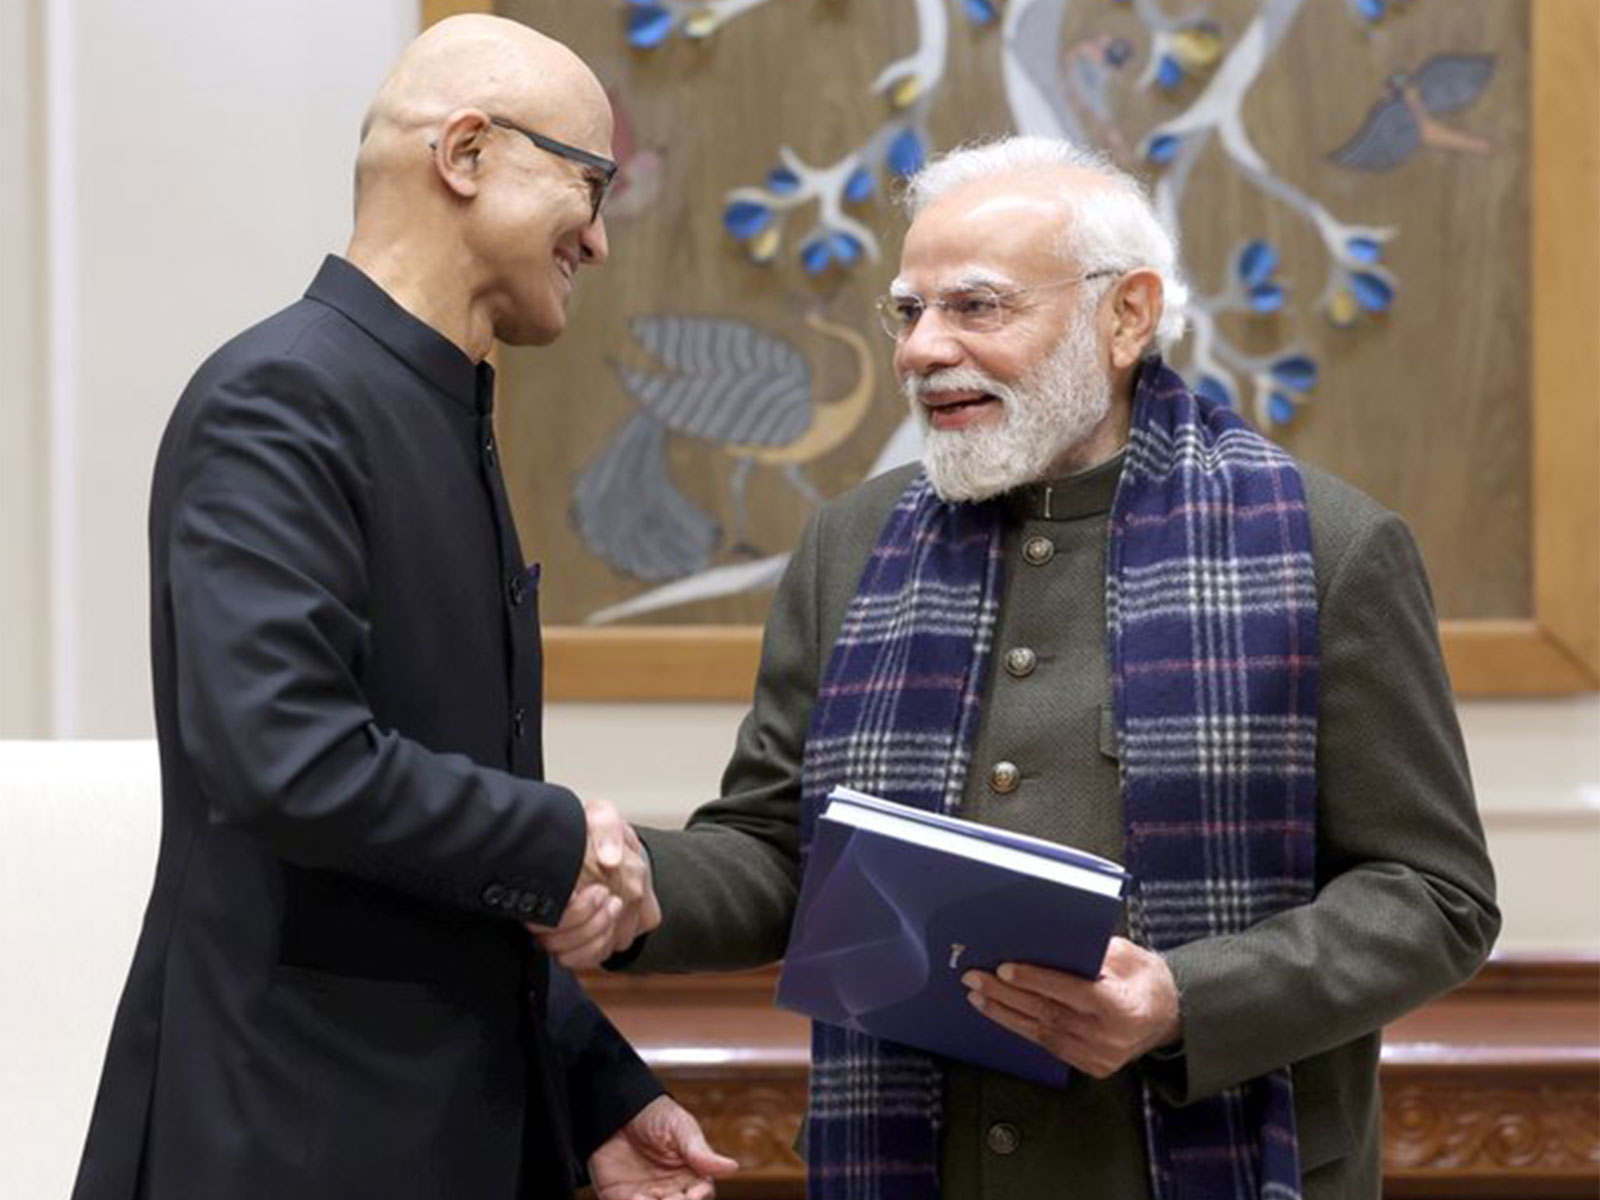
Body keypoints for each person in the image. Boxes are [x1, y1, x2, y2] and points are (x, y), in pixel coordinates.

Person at [585, 136, 1501, 1199]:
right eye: (908, 311)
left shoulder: (1328, 548)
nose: (922, 350)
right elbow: (778, 852)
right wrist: (632, 884)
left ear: (1126, 316)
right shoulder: (851, 543)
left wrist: (1179, 999)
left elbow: (1433, 896)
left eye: (975, 306)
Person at [71, 16, 736, 1200]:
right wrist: (562, 837)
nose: (596, 237)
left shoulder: (445, 410)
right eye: (588, 186)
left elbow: (434, 835)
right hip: (294, 1134)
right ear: (467, 154)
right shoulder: (284, 397)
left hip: (435, 1127)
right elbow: (286, 758)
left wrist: (595, 1089)